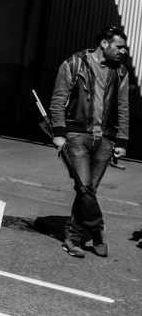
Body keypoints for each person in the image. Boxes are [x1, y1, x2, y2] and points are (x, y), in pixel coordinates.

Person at [48, 25, 130, 258]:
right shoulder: (74, 64)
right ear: (104, 44)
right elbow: (58, 99)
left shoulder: (121, 72)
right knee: (84, 187)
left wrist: (121, 140)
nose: (123, 52)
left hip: (105, 138)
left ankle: (72, 237)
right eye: (119, 46)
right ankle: (97, 231)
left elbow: (123, 108)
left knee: (88, 190)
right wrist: (59, 132)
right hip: (76, 136)